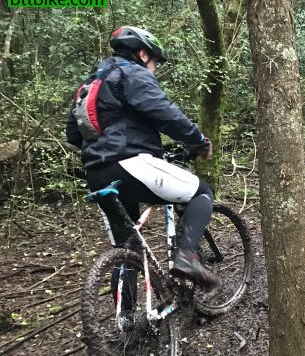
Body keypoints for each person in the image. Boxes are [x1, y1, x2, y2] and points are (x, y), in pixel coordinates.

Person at [66, 25, 218, 287]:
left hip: (96, 172)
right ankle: (186, 258)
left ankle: (127, 322)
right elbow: (163, 112)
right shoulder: (131, 72)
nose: (155, 67)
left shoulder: (89, 85)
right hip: (131, 164)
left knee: (126, 249)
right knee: (202, 193)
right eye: (155, 60)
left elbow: (73, 134)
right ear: (142, 54)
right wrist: (198, 140)